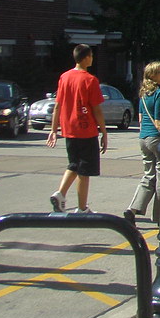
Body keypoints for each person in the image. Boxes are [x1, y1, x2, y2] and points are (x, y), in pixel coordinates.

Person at [47, 45, 106, 213]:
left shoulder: (64, 77)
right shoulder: (90, 79)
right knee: (84, 170)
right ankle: (82, 208)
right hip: (86, 129)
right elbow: (96, 109)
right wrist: (103, 130)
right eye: (91, 55)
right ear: (86, 57)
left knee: (74, 164)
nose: (92, 58)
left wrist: (54, 129)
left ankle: (60, 194)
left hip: (69, 129)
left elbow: (57, 105)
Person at [123, 62, 160, 225]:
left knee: (148, 175)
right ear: (154, 76)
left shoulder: (143, 94)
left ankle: (132, 209)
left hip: (143, 138)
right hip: (156, 137)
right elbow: (158, 121)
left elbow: (141, 119)